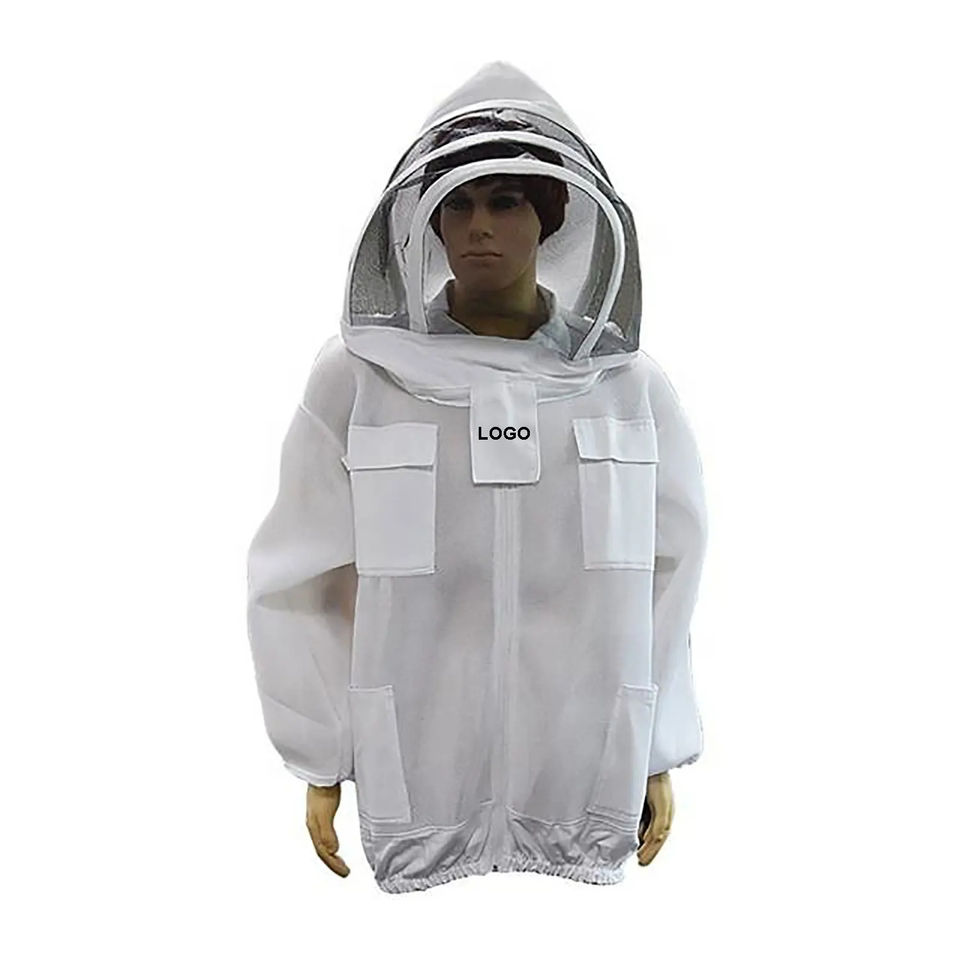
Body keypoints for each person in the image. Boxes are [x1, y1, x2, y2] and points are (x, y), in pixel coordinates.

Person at [246, 60, 708, 894]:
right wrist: (319, 752)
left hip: (584, 784)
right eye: (456, 204)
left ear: (551, 218)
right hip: (413, 784)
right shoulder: (361, 380)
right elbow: (298, 574)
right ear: (426, 220)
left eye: (506, 202)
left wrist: (654, 746)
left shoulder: (624, 388)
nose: (479, 227)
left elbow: (669, 572)